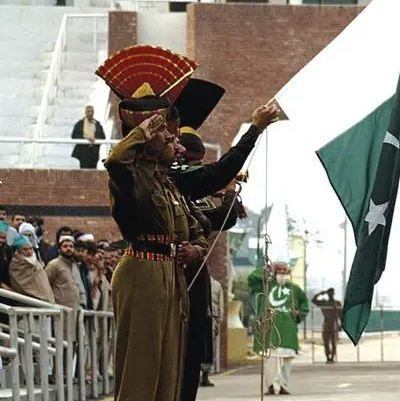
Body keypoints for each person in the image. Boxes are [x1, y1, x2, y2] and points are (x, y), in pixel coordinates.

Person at [95, 45, 209, 401]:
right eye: (165, 133)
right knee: (141, 372)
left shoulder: (163, 182)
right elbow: (115, 159)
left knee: (168, 372)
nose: (172, 139)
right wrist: (142, 131)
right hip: (141, 271)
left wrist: (197, 249)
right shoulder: (130, 175)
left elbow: (196, 230)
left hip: (168, 273)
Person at [165, 78, 278, 401]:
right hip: (165, 281)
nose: (175, 146)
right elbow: (213, 178)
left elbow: (209, 222)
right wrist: (253, 130)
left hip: (186, 281)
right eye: (169, 139)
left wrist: (228, 196)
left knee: (187, 363)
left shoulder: (173, 180)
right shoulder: (162, 176)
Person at [249, 261, 309, 395]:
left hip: (288, 331)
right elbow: (252, 279)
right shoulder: (265, 285)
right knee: (270, 360)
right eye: (280, 272)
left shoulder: (295, 290)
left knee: (286, 361)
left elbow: (305, 306)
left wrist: (297, 313)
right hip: (270, 330)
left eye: (285, 272)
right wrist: (266, 269)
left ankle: (283, 386)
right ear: (275, 273)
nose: (282, 275)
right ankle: (270, 385)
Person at [10, 235, 55, 304]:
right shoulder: (15, 265)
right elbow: (20, 285)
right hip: (28, 303)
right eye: (25, 249)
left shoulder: (36, 262)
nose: (29, 252)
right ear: (18, 251)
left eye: (30, 248)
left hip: (45, 300)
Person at [312, 288, 342, 363]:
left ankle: (332, 357)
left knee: (334, 342)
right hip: (326, 324)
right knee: (326, 343)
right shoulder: (324, 303)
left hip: (334, 324)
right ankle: (328, 357)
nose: (331, 295)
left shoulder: (337, 303)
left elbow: (341, 315)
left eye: (332, 293)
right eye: (329, 293)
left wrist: (341, 325)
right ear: (327, 294)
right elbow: (313, 300)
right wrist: (321, 293)